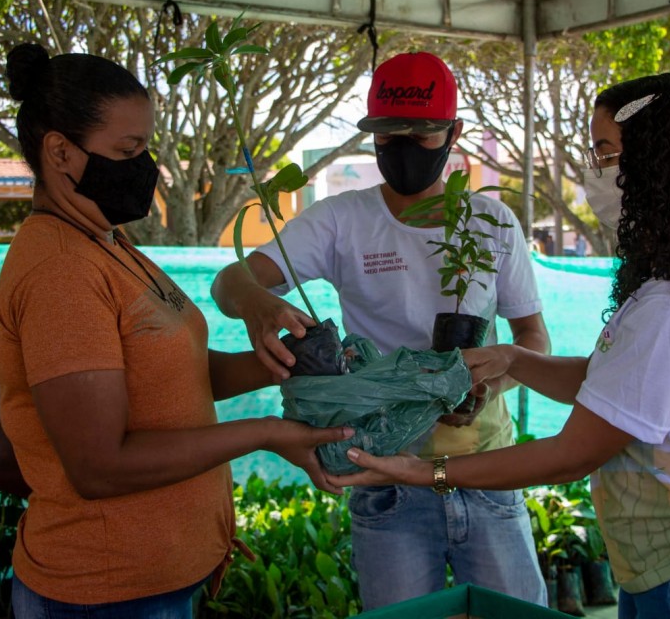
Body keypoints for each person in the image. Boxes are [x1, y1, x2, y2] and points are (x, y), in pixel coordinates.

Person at [332, 73, 670, 619]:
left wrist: (425, 472)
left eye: (604, 153)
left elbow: (573, 453)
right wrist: (513, 358)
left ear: (657, 157)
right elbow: (620, 391)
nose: (594, 172)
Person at [0, 43, 351, 618]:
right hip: (104, 592)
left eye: (146, 148)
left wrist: (279, 360)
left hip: (158, 581)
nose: (145, 167)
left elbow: (176, 372)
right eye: (127, 150)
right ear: (59, 151)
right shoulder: (61, 270)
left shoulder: (109, 243)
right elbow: (100, 465)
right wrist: (264, 432)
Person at [211, 51, 552, 610]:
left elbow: (534, 342)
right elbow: (229, 282)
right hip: (382, 475)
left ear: (454, 132)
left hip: (483, 468)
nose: (403, 145)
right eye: (388, 131)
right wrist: (258, 304)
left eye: (422, 132)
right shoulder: (341, 220)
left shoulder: (489, 223)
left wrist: (492, 383)